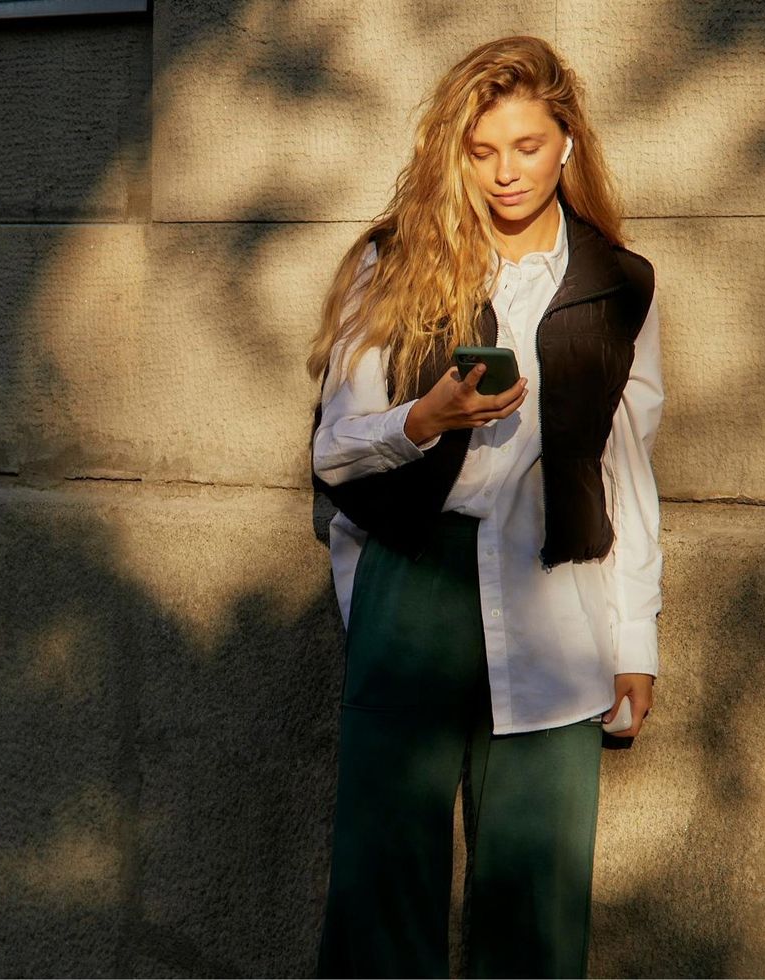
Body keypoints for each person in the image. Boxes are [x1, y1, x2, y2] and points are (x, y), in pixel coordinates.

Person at [306, 34, 663, 980]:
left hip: (560, 598)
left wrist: (636, 641)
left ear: (567, 146)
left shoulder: (619, 283)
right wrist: (424, 418)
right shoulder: (394, 264)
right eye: (482, 149)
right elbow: (333, 450)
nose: (506, 172)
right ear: (454, 152)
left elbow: (624, 469)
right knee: (384, 890)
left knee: (538, 904)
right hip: (416, 583)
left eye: (527, 146)